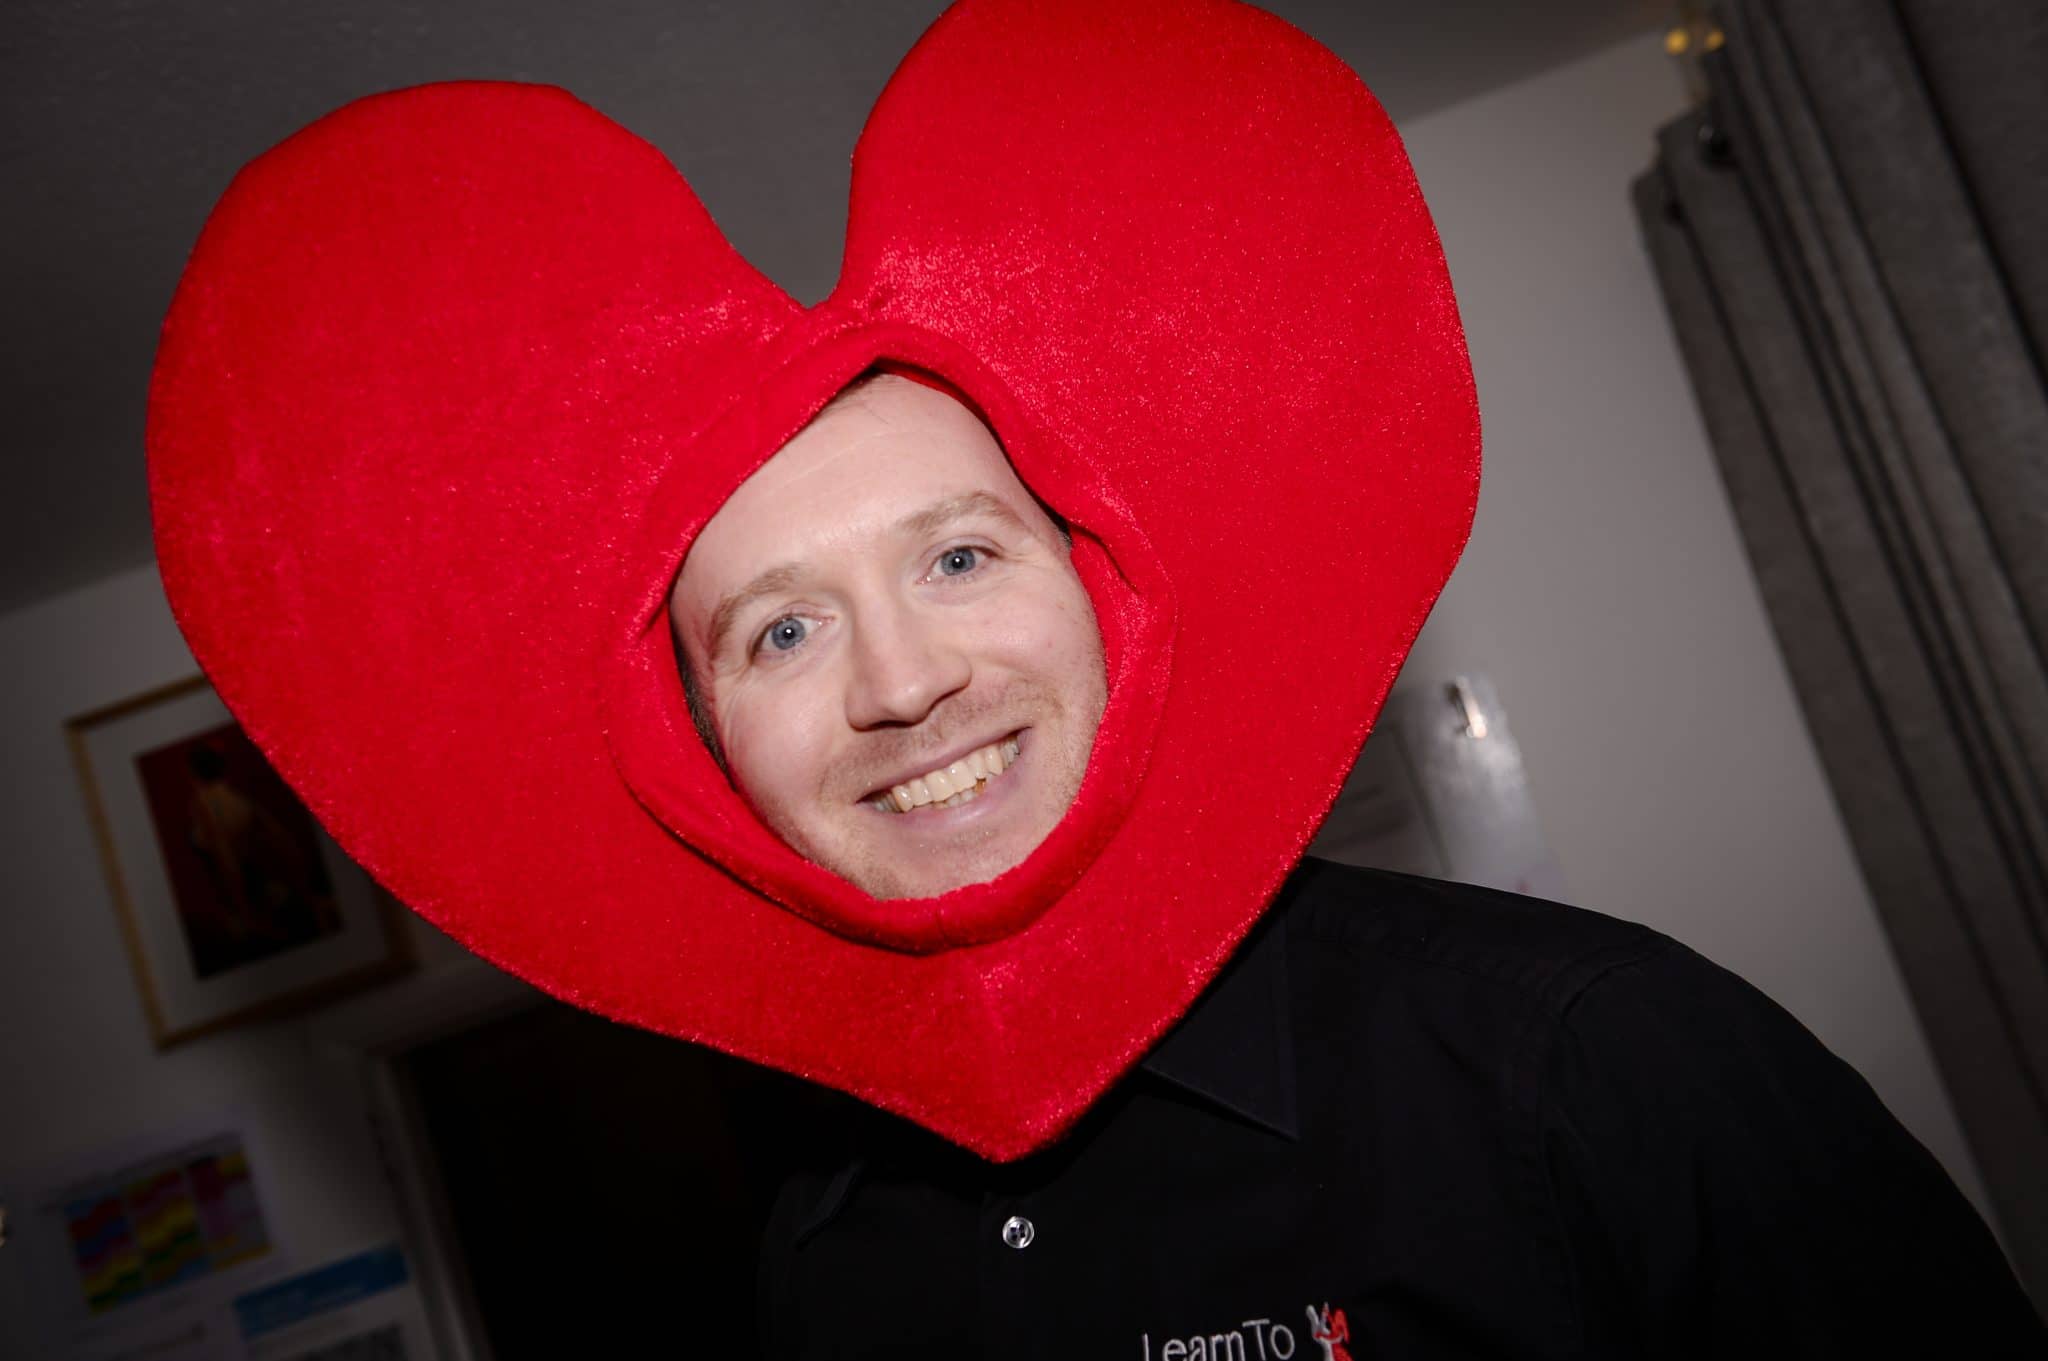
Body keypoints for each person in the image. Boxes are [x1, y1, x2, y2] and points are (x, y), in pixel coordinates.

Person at [146, 0, 2042, 1354]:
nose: (903, 682)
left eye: (960, 555)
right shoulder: (820, 1257)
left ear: (1107, 591)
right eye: (781, 629)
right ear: (701, 739)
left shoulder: (1600, 1066)